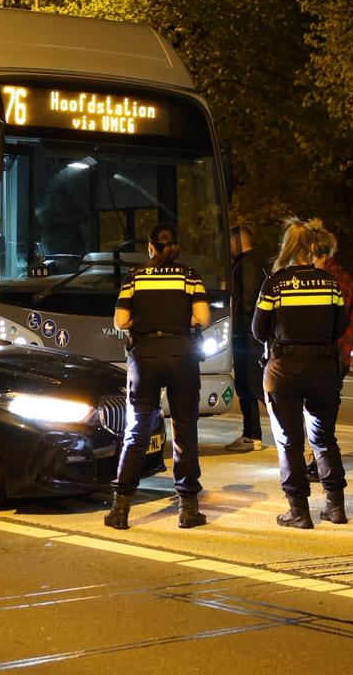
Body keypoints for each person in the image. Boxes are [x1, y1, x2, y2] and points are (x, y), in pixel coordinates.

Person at [105, 223, 212, 531]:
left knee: (137, 430)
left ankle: (120, 508)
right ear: (175, 247)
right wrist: (180, 319)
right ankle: (188, 509)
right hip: (181, 355)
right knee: (184, 430)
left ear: (150, 247)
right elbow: (203, 318)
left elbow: (121, 321)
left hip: (145, 357)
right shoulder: (189, 275)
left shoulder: (135, 276)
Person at [251, 218, 349, 528]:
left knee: (290, 442)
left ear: (287, 248)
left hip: (285, 369)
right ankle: (335, 507)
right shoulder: (330, 282)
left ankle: (299, 510)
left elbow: (258, 330)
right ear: (312, 247)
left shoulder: (275, 283)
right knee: (323, 438)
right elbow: (340, 327)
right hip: (323, 368)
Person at [305, 226, 353, 480]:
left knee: (323, 414)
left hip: (333, 353)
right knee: (320, 412)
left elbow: (333, 320)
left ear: (316, 251)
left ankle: (325, 468)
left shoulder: (334, 279)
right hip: (333, 353)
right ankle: (320, 462)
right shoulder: (336, 276)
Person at [226, 223, 266, 452]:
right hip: (253, 335)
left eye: (230, 243)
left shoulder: (247, 264)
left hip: (248, 336)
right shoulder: (258, 262)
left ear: (238, 241)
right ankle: (251, 435)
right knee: (248, 384)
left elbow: (247, 302)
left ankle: (253, 434)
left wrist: (237, 328)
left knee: (252, 384)